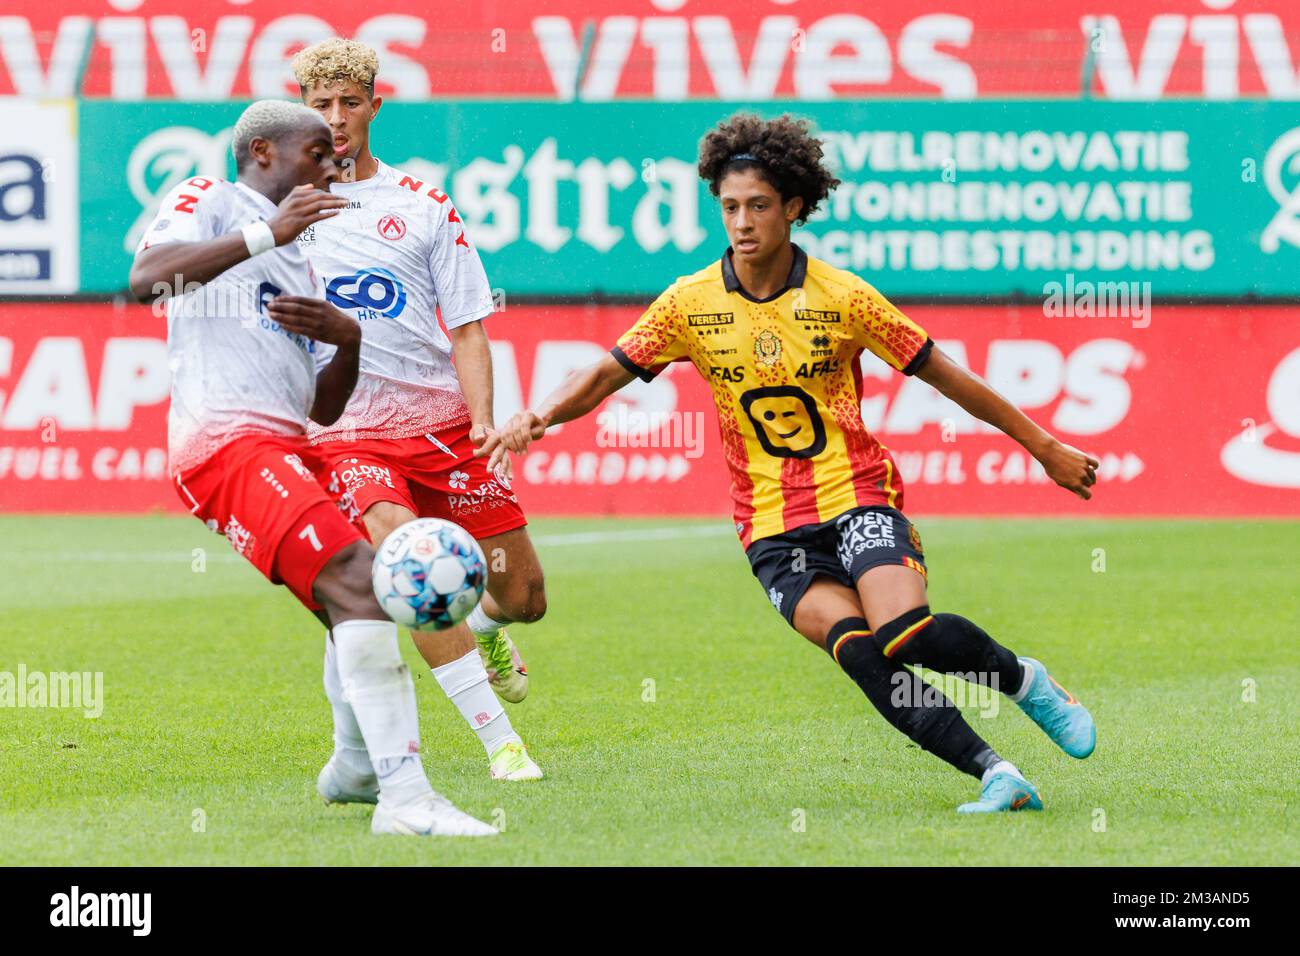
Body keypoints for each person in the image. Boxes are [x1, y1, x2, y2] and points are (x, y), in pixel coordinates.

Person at [481, 113, 1099, 813]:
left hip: (857, 496)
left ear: (795, 207)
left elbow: (947, 375)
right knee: (864, 655)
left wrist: (1044, 446)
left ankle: (1026, 683)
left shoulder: (843, 297)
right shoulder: (690, 303)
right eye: (729, 207)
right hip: (771, 528)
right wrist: (537, 415)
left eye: (759, 206)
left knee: (906, 633)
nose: (742, 222)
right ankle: (997, 775)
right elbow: (603, 374)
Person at [128, 99, 496, 837]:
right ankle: (405, 798)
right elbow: (147, 279)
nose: (333, 167)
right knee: (364, 578)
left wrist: (349, 338)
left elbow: (326, 409)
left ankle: (357, 766)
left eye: (337, 157)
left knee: (353, 599)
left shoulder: (303, 256)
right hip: (225, 445)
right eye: (318, 154)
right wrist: (268, 230)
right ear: (263, 151)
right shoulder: (211, 199)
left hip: (292, 443)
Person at [289, 39, 546, 790]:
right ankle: (503, 745)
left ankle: (490, 631)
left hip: (438, 427)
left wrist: (483, 422)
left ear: (375, 104)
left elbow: (467, 325)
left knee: (524, 596)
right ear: (302, 110)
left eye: (349, 103)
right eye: (320, 106)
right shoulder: (280, 211)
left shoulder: (423, 205)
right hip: (344, 435)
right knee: (405, 562)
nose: (336, 120)